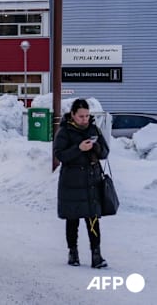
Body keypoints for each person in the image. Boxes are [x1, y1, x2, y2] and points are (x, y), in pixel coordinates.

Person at [53, 98, 110, 269]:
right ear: (73, 115)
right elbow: (60, 155)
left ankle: (96, 255)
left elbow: (105, 152)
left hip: (92, 181)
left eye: (87, 116)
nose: (85, 119)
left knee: (93, 218)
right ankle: (73, 252)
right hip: (72, 181)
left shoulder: (94, 129)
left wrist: (96, 148)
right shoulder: (64, 131)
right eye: (81, 116)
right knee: (73, 219)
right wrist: (79, 148)